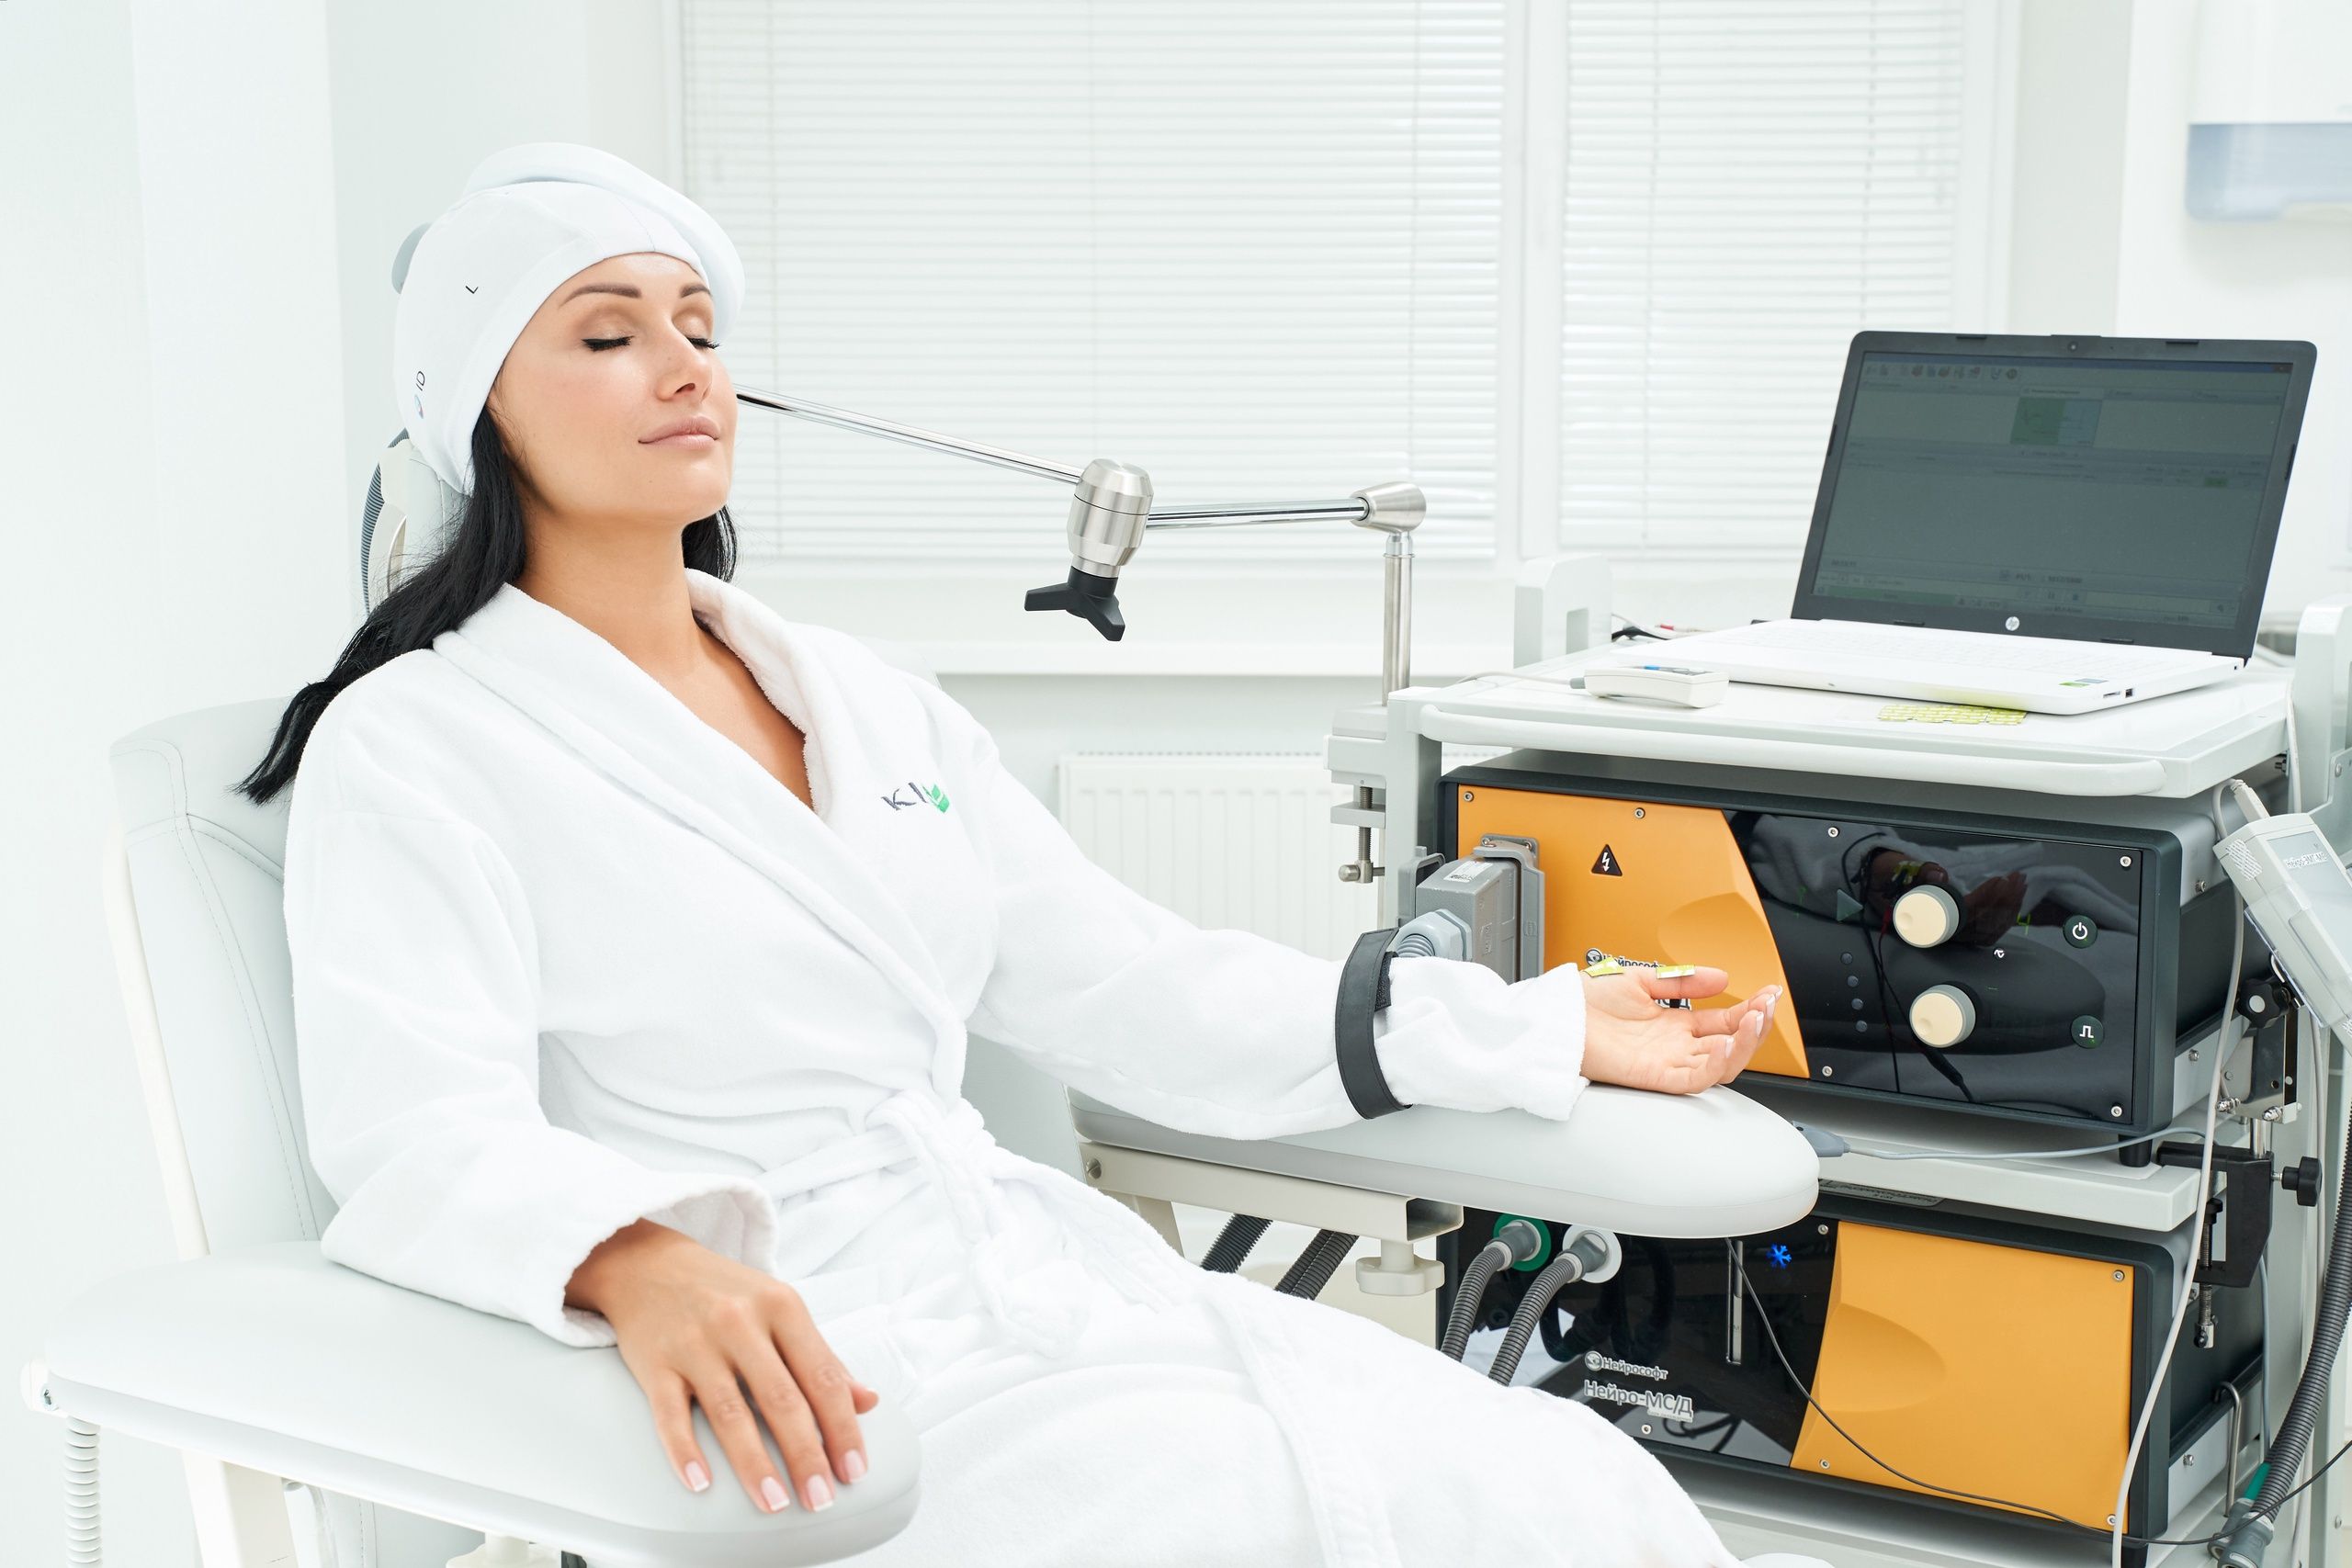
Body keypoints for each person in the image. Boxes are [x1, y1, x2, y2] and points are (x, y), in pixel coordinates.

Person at [244, 143, 1798, 1567]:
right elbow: (416, 1137)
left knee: (1568, 1486)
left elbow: (1131, 984)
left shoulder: (867, 704)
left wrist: (1524, 1026)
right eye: (606, 334)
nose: (685, 366)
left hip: (1047, 1288)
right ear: (480, 410)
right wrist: (637, 1261)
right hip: (805, 1364)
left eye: (700, 328)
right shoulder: (423, 742)